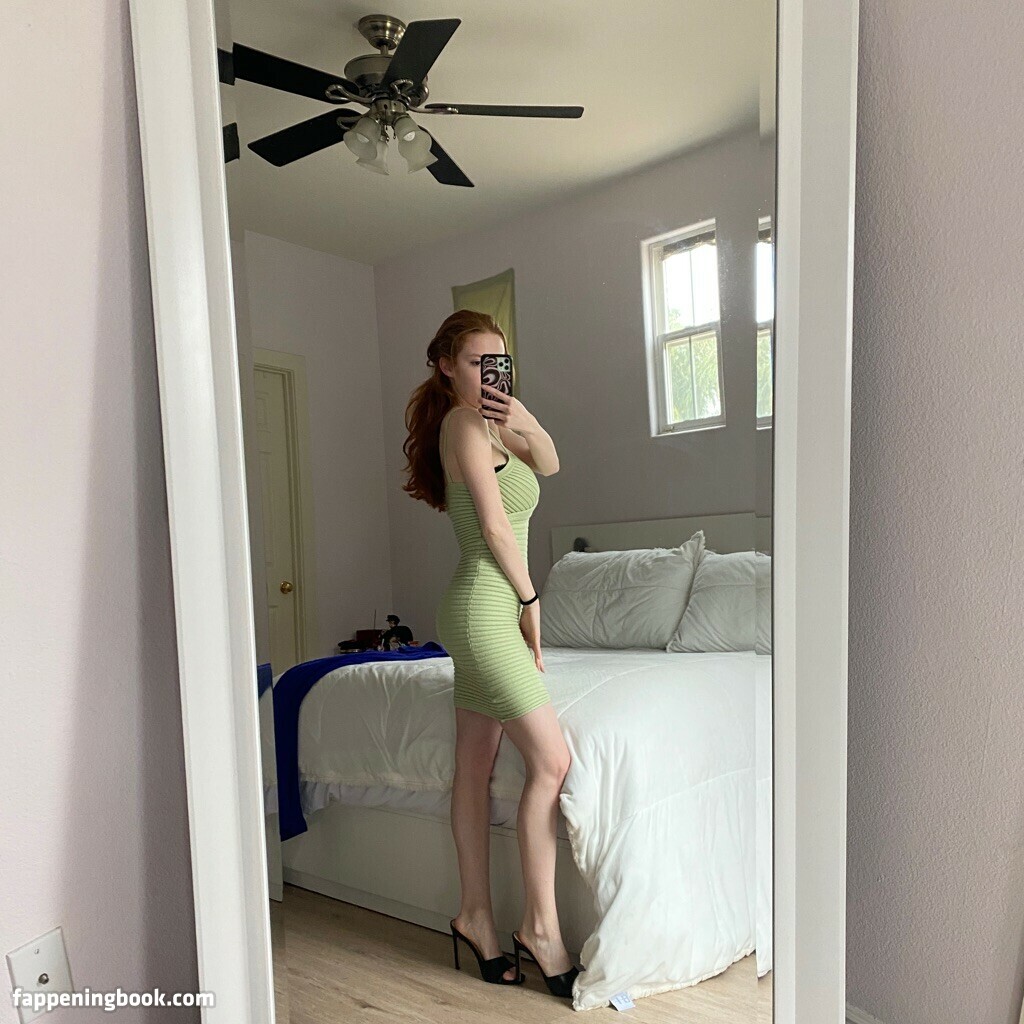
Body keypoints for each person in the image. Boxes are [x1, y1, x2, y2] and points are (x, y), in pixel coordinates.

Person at [401, 309, 579, 997]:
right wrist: (531, 601)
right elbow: (498, 528)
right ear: (447, 365)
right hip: (484, 607)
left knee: (474, 767)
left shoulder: (495, 424)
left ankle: (476, 916)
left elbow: (551, 462)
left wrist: (519, 412)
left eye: (498, 362)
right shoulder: (461, 425)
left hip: (491, 607)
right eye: (477, 362)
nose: (490, 374)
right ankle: (542, 930)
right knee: (551, 760)